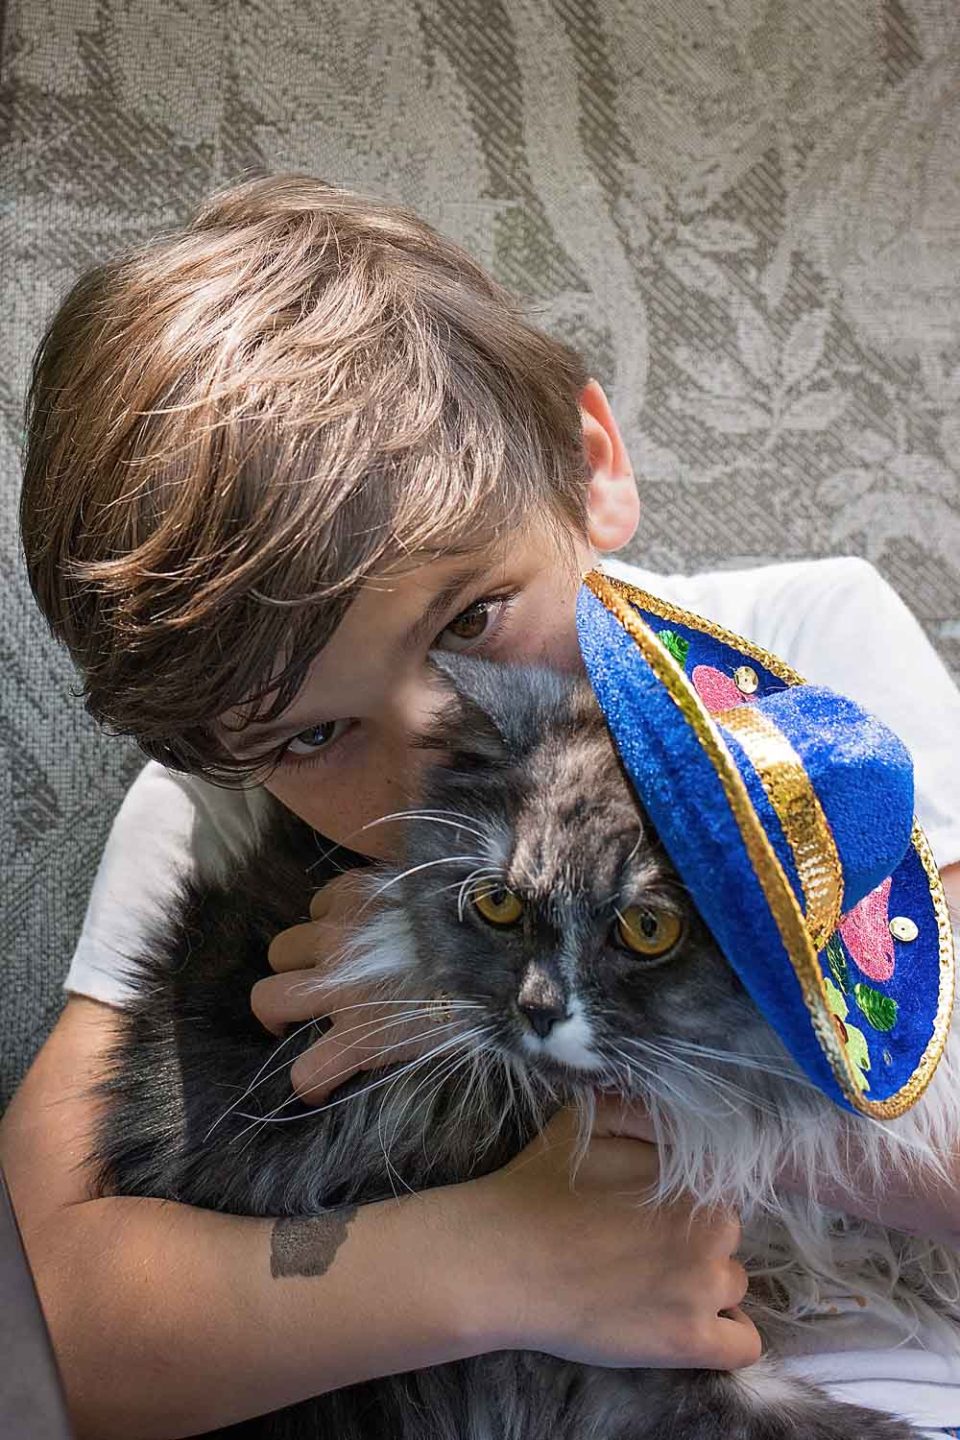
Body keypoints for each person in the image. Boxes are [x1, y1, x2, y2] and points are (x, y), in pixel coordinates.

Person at [2, 173, 959, 1440]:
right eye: (316, 732)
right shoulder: (216, 805)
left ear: (589, 466)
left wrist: (593, 1046)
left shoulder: (799, 651)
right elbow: (53, 1322)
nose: (431, 759)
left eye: (470, 622)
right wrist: (485, 1266)